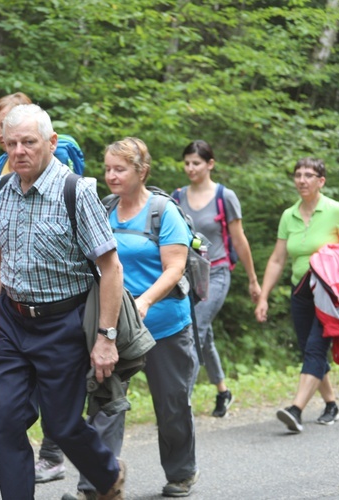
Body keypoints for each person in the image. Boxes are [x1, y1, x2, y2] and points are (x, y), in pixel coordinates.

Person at [0, 104, 126, 499]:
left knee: (61, 425)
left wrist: (106, 338)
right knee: (5, 421)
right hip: (11, 319)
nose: (20, 151)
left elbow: (111, 269)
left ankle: (108, 475)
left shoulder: (76, 191)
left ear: (51, 142)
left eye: (29, 142)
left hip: (64, 322)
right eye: (12, 143)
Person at [85, 137, 199, 498]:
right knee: (106, 404)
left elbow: (175, 267)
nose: (111, 176)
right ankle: (98, 482)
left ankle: (181, 473)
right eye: (107, 169)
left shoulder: (163, 211)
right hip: (113, 327)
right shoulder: (103, 210)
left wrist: (146, 300)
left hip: (165, 325)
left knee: (172, 405)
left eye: (120, 169)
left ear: (142, 171)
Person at [0, 92, 69, 485]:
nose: (4, 138)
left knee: (60, 405)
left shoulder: (64, 174)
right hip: (12, 302)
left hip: (61, 307)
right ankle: (12, 444)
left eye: (10, 128)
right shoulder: (0, 170)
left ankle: (52, 450)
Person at [254, 157, 339, 433]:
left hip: (331, 294)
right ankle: (331, 404)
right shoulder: (288, 215)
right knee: (309, 349)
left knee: (316, 347)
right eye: (298, 175)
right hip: (301, 292)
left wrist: (332, 257)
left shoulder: (336, 210)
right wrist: (264, 296)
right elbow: (278, 259)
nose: (302, 180)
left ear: (321, 181)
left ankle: (296, 409)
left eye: (309, 175)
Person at [175, 140, 261, 417]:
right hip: (188, 276)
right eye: (187, 163)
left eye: (196, 163)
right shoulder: (176, 197)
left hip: (218, 273)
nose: (191, 168)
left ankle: (180, 404)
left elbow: (240, 239)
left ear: (210, 164)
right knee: (205, 336)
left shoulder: (225, 196)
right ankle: (223, 391)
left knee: (195, 329)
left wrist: (252, 280)